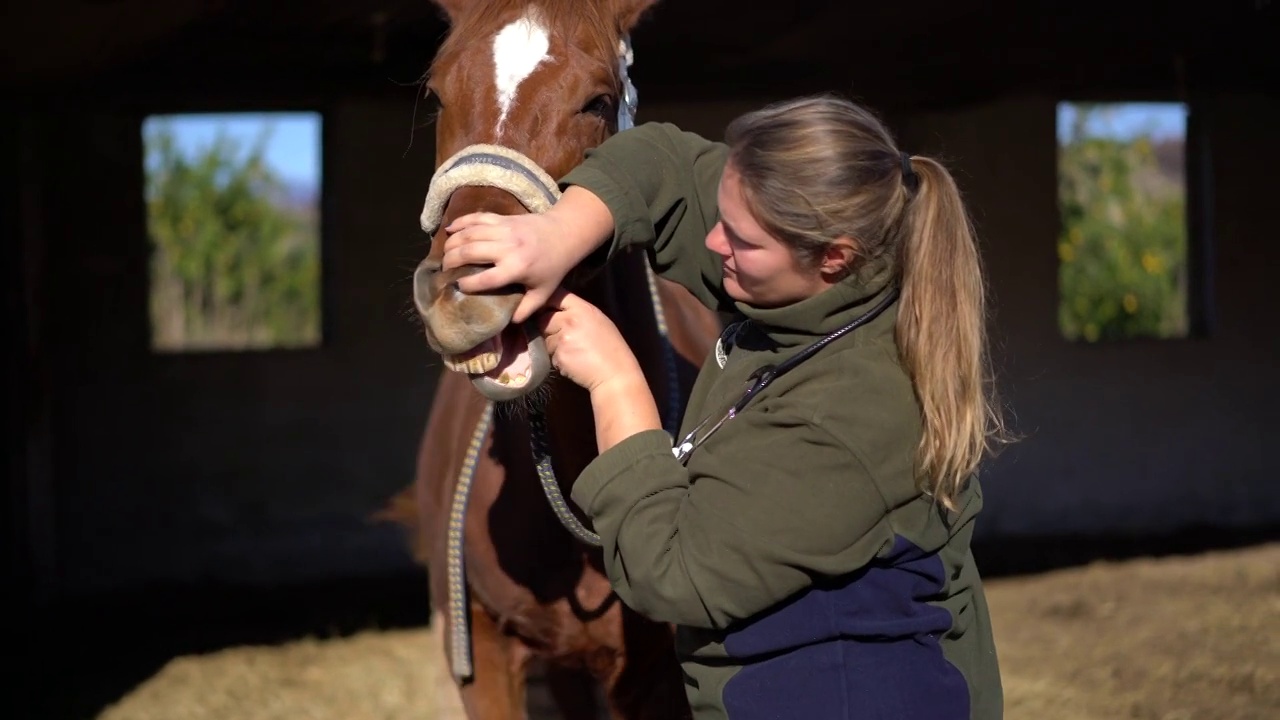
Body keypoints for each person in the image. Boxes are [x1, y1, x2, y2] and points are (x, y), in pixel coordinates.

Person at [440, 93, 1011, 720]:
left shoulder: (848, 414)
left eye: (740, 239)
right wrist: (553, 235)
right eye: (722, 214)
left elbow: (674, 573)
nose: (714, 242)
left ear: (834, 257)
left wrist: (615, 382)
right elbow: (663, 163)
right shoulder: (816, 268)